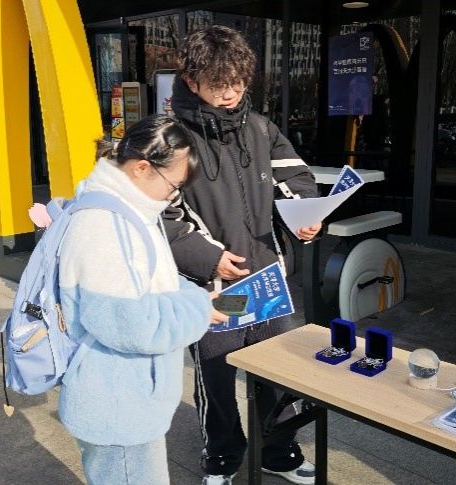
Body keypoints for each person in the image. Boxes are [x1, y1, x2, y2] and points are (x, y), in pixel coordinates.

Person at [163, 26, 322, 485]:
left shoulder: (260, 127)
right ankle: (221, 455)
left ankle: (279, 451)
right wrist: (206, 258)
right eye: (218, 84)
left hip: (268, 276)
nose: (230, 93)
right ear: (191, 81)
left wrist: (304, 216)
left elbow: (297, 179)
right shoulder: (172, 138)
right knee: (216, 376)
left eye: (236, 82)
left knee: (278, 369)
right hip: (214, 287)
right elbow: (161, 215)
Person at [57, 115, 228, 484]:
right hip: (118, 404)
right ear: (142, 167)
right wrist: (199, 308)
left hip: (122, 394)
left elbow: (152, 281)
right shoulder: (105, 225)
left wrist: (196, 296)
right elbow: (134, 326)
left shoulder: (123, 210)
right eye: (173, 185)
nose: (173, 196)